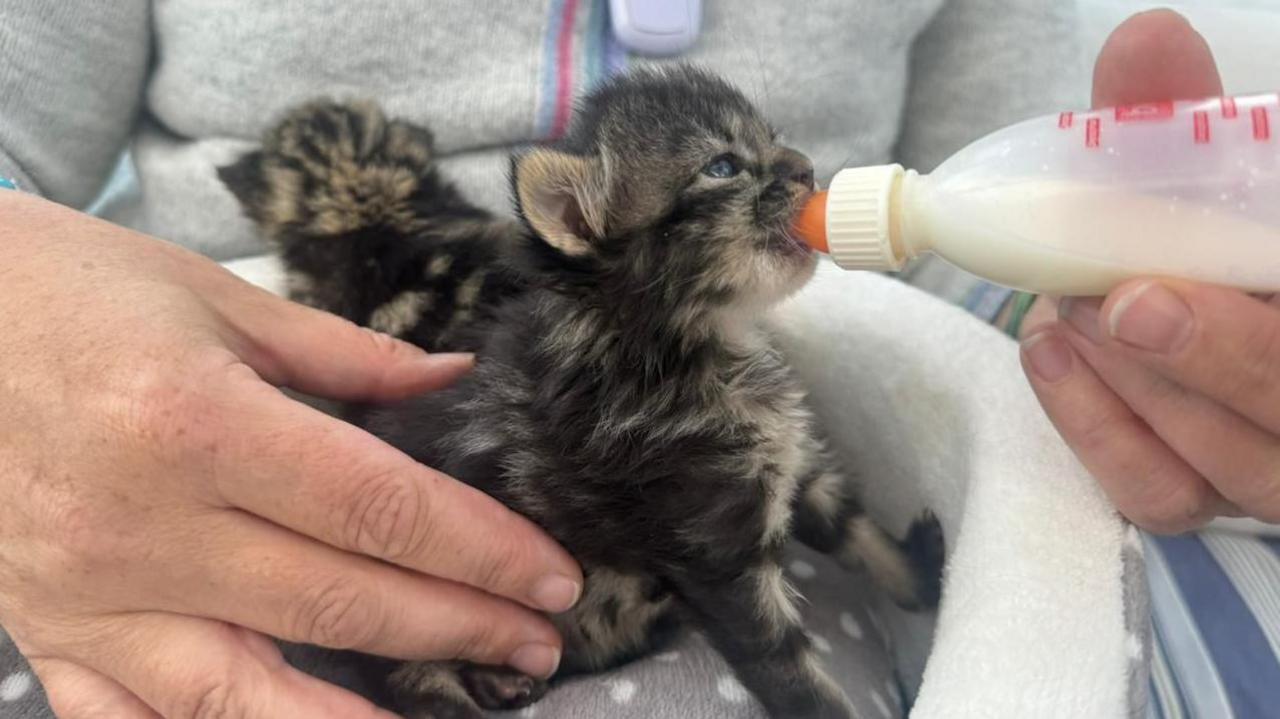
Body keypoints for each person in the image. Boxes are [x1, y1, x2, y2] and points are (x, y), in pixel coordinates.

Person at [0, 2, 1254, 717]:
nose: (790, 174)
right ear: (583, 221)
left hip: (784, 473)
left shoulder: (698, 355)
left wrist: (1105, 331)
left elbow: (977, 242)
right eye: (730, 167)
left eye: (769, 151)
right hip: (132, 490)